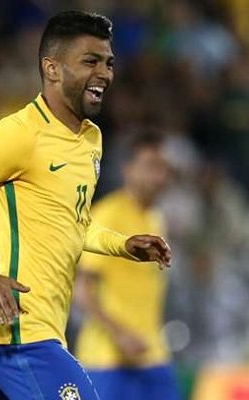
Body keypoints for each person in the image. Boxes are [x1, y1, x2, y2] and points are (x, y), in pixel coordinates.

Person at [0, 11, 171, 400]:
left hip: (26, 331)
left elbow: (73, 222)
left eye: (108, 63)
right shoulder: (19, 135)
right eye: (90, 61)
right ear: (52, 69)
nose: (104, 73)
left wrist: (122, 244)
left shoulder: (90, 139)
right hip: (21, 330)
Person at [74, 133, 180, 400]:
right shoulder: (107, 215)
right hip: (107, 359)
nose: (159, 176)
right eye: (151, 166)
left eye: (163, 167)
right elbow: (82, 290)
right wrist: (120, 334)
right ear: (128, 170)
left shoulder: (155, 218)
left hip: (152, 354)